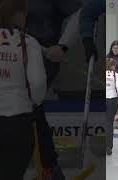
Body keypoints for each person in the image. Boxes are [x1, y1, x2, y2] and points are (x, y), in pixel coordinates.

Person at [27, 0, 82, 178]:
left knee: (30, 106)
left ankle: (49, 167)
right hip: (9, 53)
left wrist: (62, 46)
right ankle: (49, 166)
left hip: (41, 56)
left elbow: (77, 14)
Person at [0, 0, 47, 179]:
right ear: (18, 14)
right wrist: (32, 101)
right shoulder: (27, 42)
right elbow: (38, 84)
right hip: (17, 123)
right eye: (25, 13)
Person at [106, 58, 118, 155]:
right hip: (112, 100)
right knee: (109, 124)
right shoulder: (116, 75)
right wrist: (117, 93)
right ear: (113, 66)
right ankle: (108, 147)